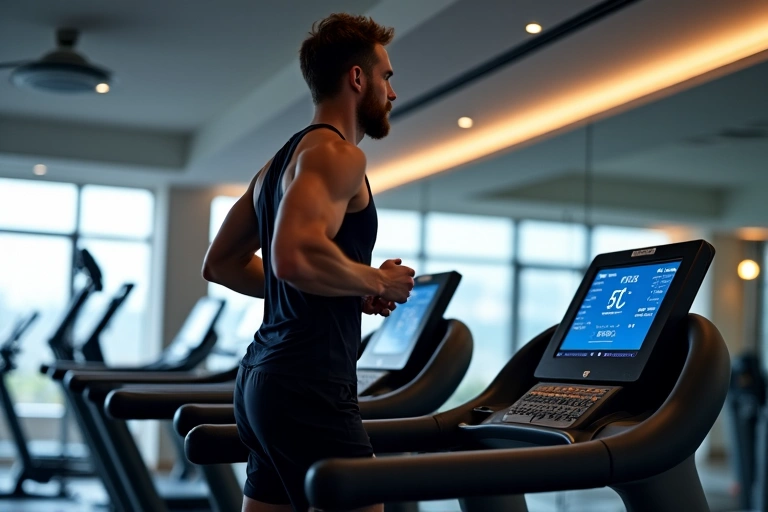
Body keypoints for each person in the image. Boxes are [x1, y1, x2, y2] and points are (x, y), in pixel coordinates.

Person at [202, 12, 415, 512]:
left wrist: (343, 284)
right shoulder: (339, 155)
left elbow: (223, 264)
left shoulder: (275, 165)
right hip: (309, 383)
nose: (392, 92)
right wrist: (377, 280)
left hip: (262, 377)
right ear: (357, 78)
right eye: (386, 77)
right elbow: (294, 256)